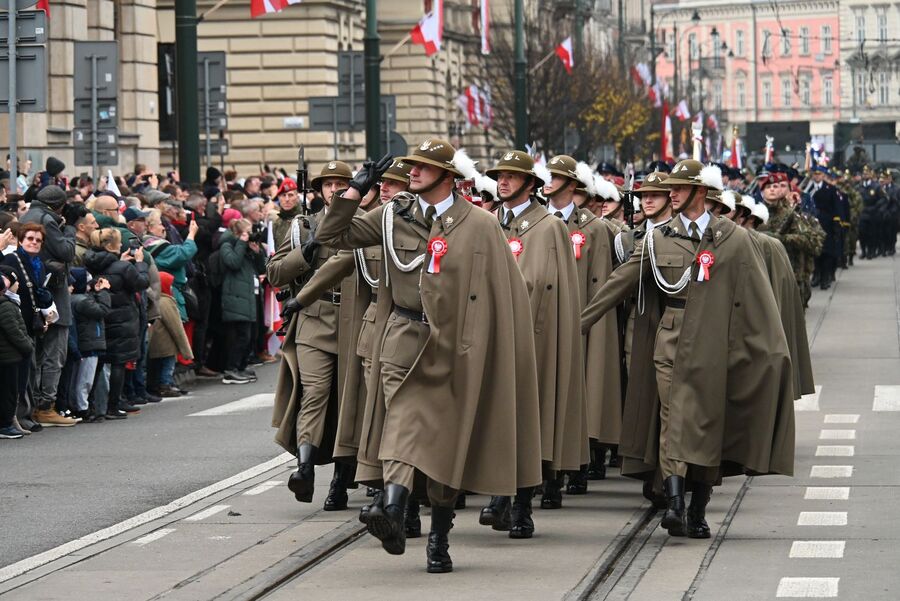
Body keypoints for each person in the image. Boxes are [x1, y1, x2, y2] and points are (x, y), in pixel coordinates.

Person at [314, 140, 542, 573]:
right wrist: (352, 195)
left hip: (457, 344)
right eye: (411, 166)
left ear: (448, 177)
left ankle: (439, 536)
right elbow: (332, 236)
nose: (412, 172)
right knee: (401, 421)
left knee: (445, 446)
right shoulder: (391, 215)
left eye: (423, 167)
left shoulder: (479, 224)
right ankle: (395, 505)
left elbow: (504, 293)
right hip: (403, 334)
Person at [581, 159, 796, 539]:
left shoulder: (734, 238)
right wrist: (578, 324)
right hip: (671, 340)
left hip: (717, 344)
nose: (672, 194)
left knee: (708, 425)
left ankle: (698, 506)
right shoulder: (657, 237)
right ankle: (675, 502)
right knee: (674, 419)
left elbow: (759, 298)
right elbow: (619, 283)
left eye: (680, 188)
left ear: (701, 192)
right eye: (671, 189)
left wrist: (771, 349)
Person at [477, 149, 586, 534]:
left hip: (533, 339)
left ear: (530, 183)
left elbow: (557, 291)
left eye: (511, 175)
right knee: (495, 420)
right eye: (499, 175)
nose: (502, 181)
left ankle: (519, 505)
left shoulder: (549, 227)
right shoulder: (488, 223)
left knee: (527, 423)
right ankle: (499, 496)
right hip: (490, 339)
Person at [267, 160, 356, 506]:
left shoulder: (364, 224)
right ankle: (304, 468)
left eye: (341, 183)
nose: (334, 189)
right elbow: (275, 273)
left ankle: (341, 480)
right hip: (314, 319)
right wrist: (305, 253)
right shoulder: (301, 228)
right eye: (328, 184)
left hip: (355, 318)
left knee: (350, 401)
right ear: (318, 190)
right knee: (314, 392)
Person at [542, 154, 620, 495]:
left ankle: (579, 461)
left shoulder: (594, 228)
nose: (547, 180)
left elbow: (600, 282)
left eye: (555, 176)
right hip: (544, 321)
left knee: (583, 391)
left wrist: (590, 324)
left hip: (580, 319)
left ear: (572, 185)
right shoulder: (537, 222)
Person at [20, 185, 78, 427]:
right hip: (53, 294)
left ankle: (33, 406)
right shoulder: (48, 220)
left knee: (38, 356)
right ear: (59, 205)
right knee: (55, 354)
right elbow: (66, 251)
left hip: (37, 293)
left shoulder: (27, 215)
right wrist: (71, 227)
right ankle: (46, 406)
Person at [83, 228, 150, 419]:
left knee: (97, 362)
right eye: (119, 242)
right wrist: (139, 263)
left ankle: (88, 405)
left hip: (101, 315)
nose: (122, 245)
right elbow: (141, 282)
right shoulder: (123, 268)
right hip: (122, 319)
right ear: (112, 245)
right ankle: (113, 405)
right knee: (119, 362)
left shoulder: (91, 263)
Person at [218, 217, 266, 384]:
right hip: (236, 297)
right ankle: (231, 369)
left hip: (249, 297)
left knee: (251, 335)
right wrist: (241, 243)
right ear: (238, 233)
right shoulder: (227, 245)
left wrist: (257, 252)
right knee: (241, 336)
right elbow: (233, 263)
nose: (250, 235)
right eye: (247, 232)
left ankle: (241, 366)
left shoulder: (246, 248)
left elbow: (262, 269)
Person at [70, 268, 111, 421]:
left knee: (84, 378)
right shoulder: (82, 301)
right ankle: (83, 408)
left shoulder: (81, 298)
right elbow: (102, 310)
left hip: (88, 343)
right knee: (85, 379)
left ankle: (84, 406)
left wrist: (98, 292)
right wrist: (104, 292)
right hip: (89, 344)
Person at [148, 271, 194, 397]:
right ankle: (165, 385)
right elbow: (176, 327)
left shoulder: (157, 299)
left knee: (158, 366)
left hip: (157, 342)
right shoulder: (166, 302)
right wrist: (185, 350)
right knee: (168, 365)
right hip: (166, 343)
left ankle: (163, 384)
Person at [0, 266, 33, 439]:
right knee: (9, 392)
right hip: (9, 357)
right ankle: (5, 425)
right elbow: (15, 331)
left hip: (9, 356)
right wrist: (28, 346)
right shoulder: (6, 306)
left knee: (9, 391)